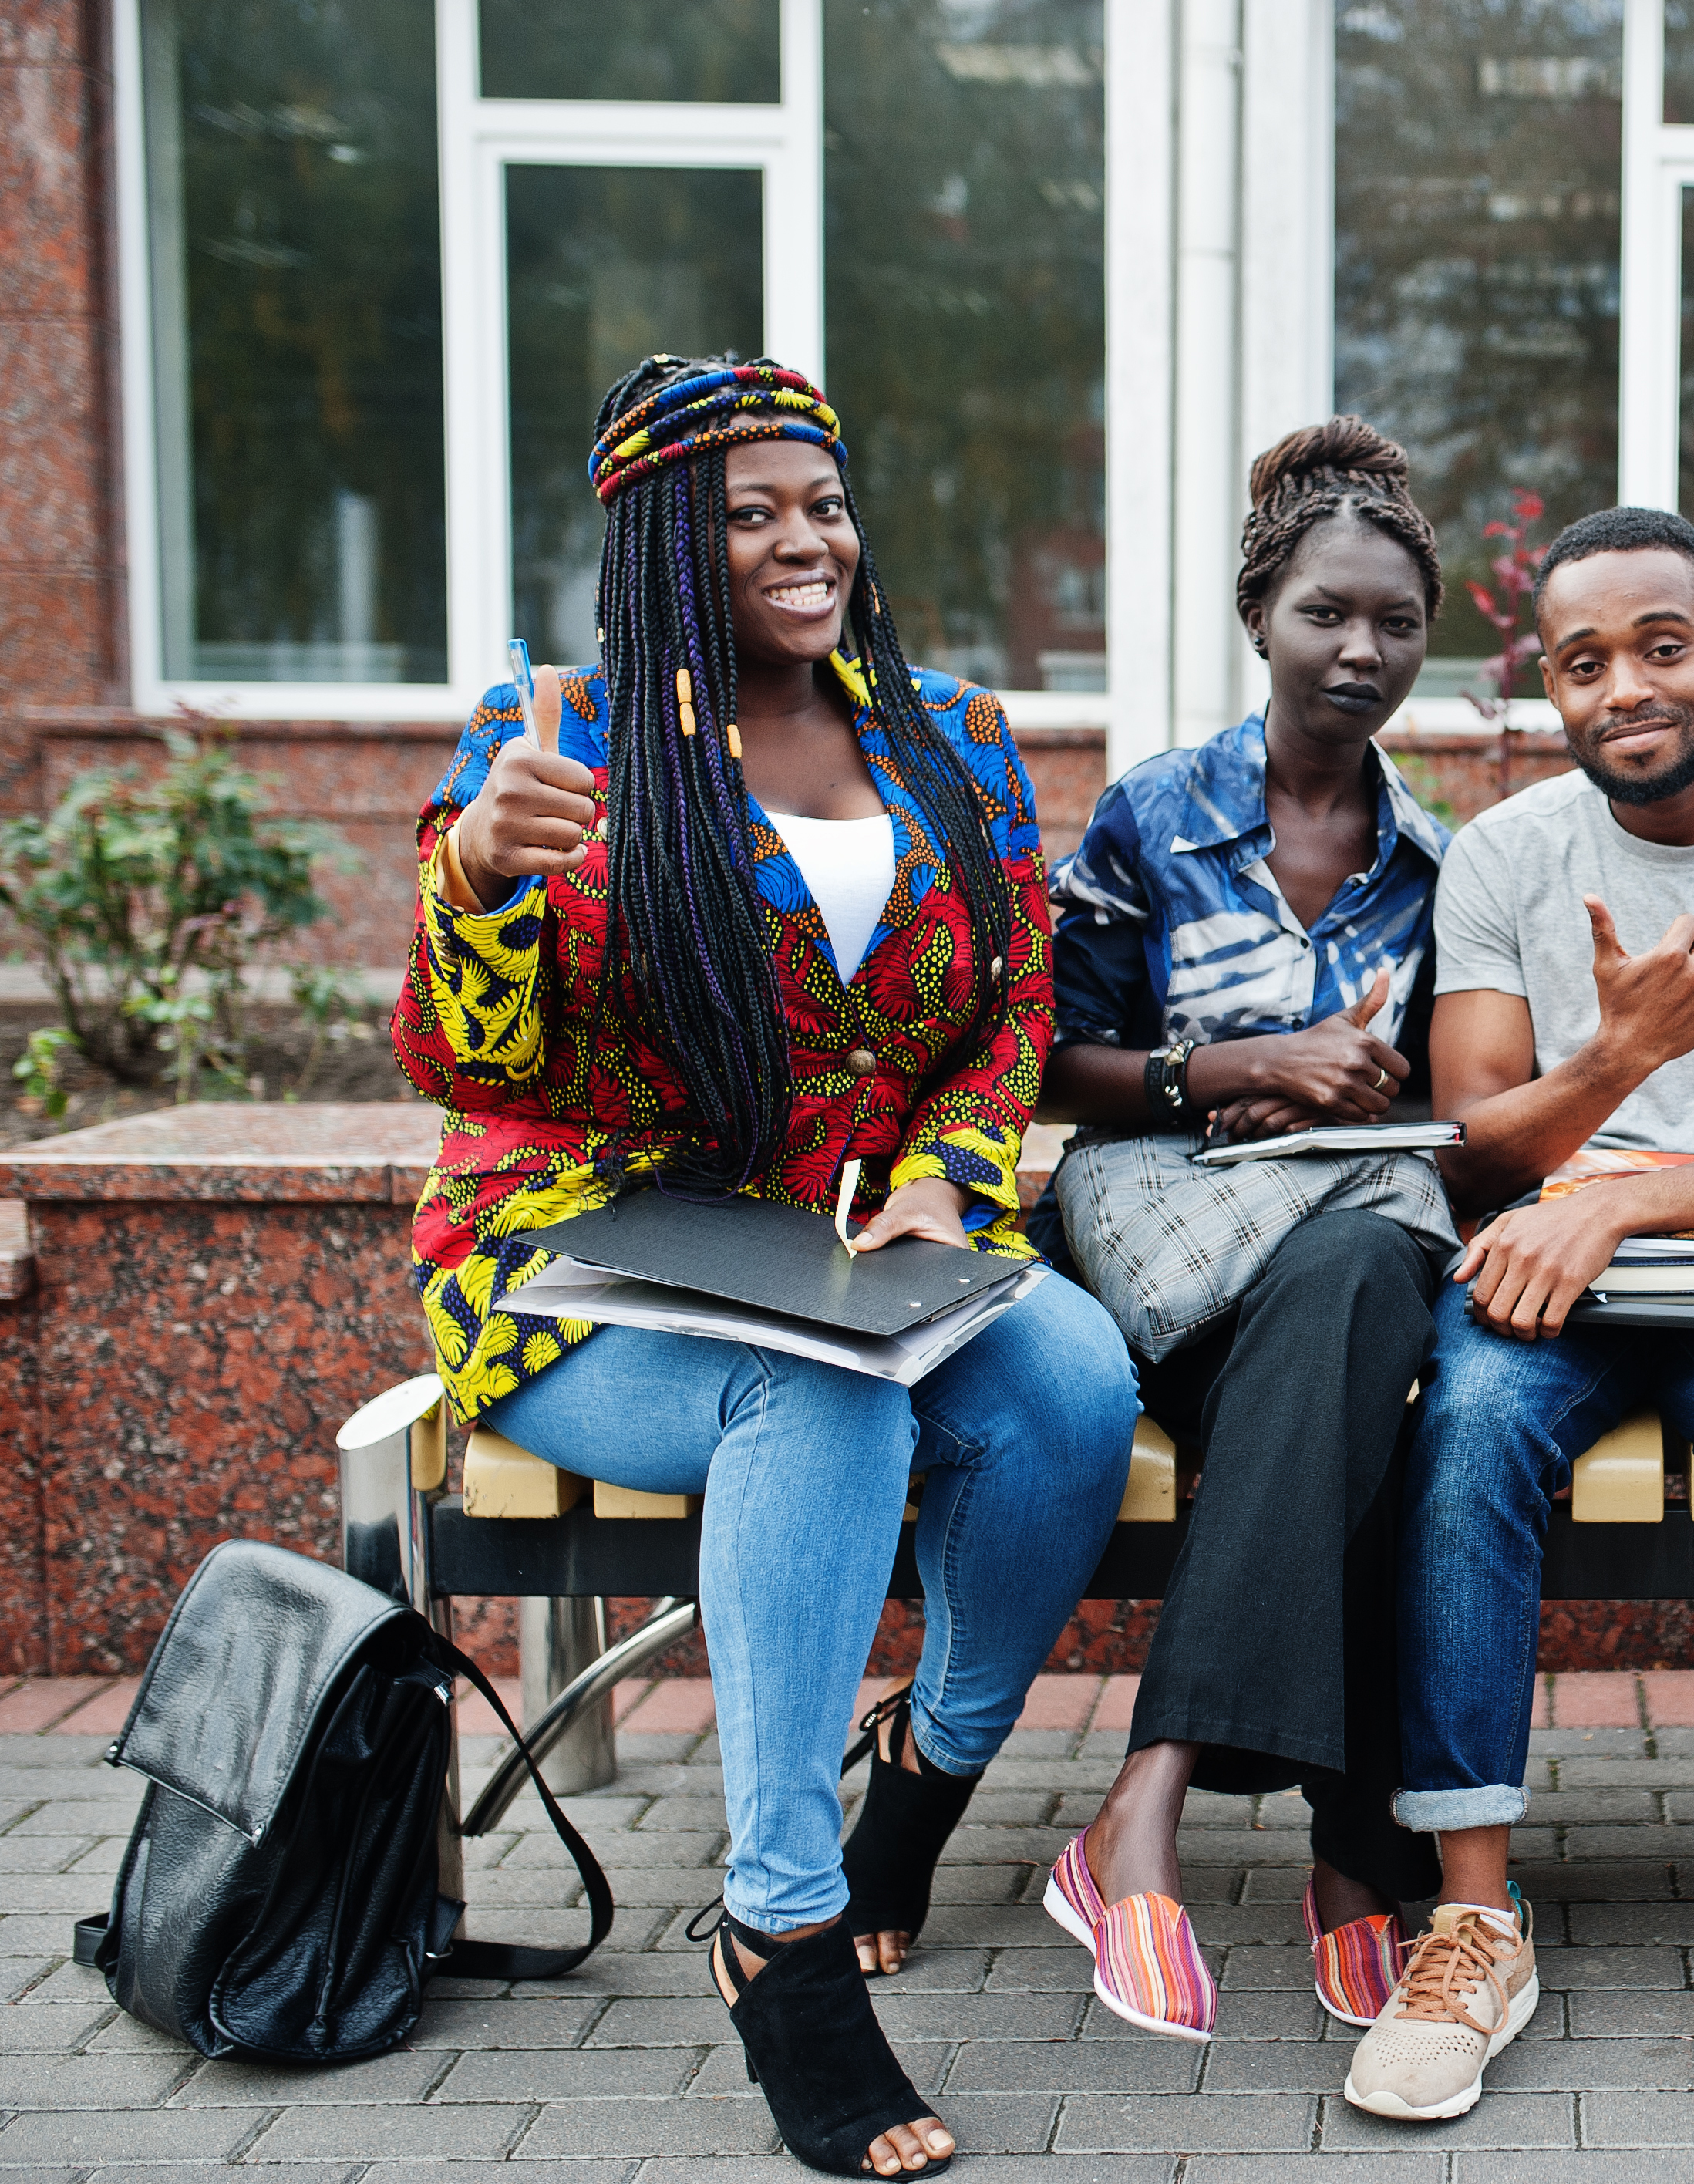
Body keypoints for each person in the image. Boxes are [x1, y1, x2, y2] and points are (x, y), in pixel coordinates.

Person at [393, 354, 1137, 2177]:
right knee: (815, 1390)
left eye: (823, 502)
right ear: (665, 543)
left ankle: (927, 1777)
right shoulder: (556, 731)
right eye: (752, 514)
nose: (806, 540)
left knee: (1072, 1379)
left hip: (848, 1243)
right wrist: (482, 879)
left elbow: (1010, 1006)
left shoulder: (950, 737)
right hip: (577, 1254)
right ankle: (782, 1924)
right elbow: (463, 1063)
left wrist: (954, 1188)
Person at [1341, 507, 1694, 2132]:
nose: (1625, 690)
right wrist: (1606, 1073)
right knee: (1459, 1431)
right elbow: (1471, 1142)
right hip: (1554, 1272)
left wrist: (1616, 1192)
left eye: (1659, 647)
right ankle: (1469, 1922)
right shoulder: (1509, 854)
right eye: (1583, 662)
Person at [1033, 417, 1456, 2040]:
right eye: (1327, 614)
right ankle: (1352, 1854)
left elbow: (1478, 1084)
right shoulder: (1151, 816)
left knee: (1350, 1296)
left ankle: (1146, 1804)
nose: (1361, 650)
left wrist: (1362, 1092)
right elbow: (1051, 1062)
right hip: (1172, 1257)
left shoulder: (1437, 863)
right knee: (1345, 1381)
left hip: (1340, 1249)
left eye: (1397, 623)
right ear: (1259, 616)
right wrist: (1238, 1065)